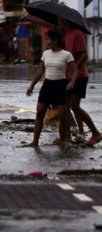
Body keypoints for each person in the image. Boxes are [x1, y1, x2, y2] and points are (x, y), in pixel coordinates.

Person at [21, 29, 77, 147]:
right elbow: (40, 70)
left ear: (55, 40)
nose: (47, 41)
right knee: (40, 113)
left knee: (62, 115)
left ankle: (62, 139)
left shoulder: (66, 54)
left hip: (60, 85)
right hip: (47, 85)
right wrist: (32, 85)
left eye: (48, 39)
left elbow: (75, 70)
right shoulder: (46, 53)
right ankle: (35, 141)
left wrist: (72, 82)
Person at [59, 17, 102, 145]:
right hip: (67, 75)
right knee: (65, 106)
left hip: (80, 75)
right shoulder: (65, 34)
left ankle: (95, 132)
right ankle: (65, 137)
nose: (58, 22)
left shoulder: (77, 33)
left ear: (66, 21)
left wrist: (74, 67)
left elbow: (84, 54)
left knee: (74, 105)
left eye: (60, 20)